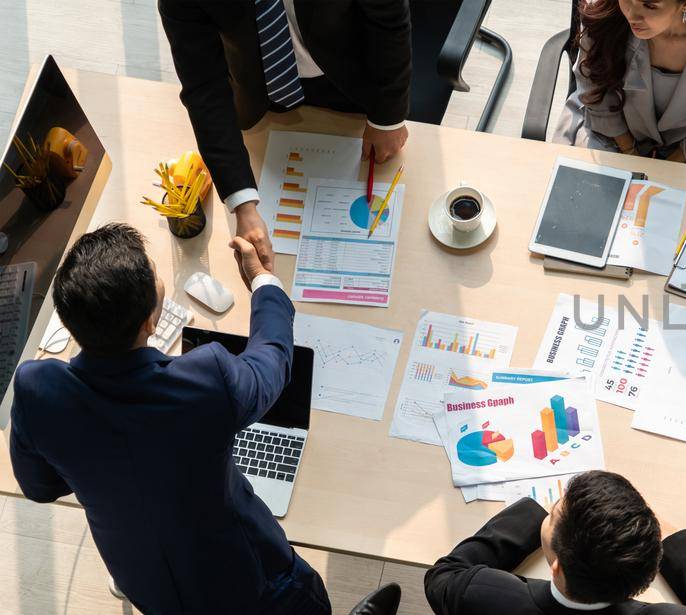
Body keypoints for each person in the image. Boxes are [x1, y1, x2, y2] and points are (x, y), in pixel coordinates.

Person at [7, 223, 327, 614]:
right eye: (155, 275)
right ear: (149, 322)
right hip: (256, 589)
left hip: (148, 587)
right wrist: (263, 280)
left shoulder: (37, 389)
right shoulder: (205, 380)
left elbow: (39, 487)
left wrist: (106, 471)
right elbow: (272, 361)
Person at [159, 0, 412, 272]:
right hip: (262, 96)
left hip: (350, 78)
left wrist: (387, 119)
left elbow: (389, 21)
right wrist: (243, 205)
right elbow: (205, 89)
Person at [425, 471, 686, 615]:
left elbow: (442, 575)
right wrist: (655, 531)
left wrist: (532, 515)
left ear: (555, 567)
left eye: (556, 511)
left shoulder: (483, 596)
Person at [557, 0, 686, 172]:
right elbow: (595, 88)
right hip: (609, 130)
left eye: (649, 5)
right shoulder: (602, 14)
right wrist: (629, 152)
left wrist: (676, 161)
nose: (632, 15)